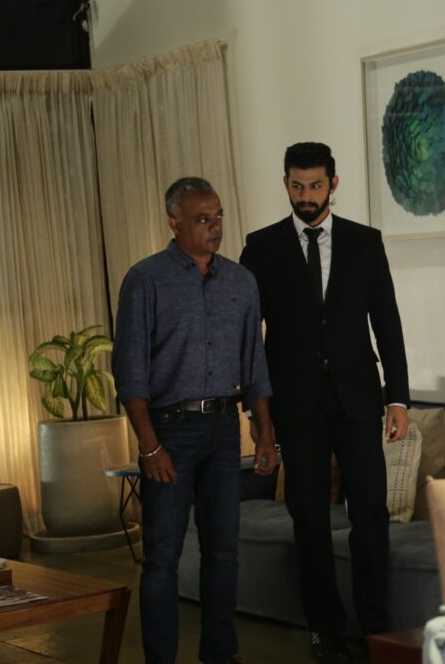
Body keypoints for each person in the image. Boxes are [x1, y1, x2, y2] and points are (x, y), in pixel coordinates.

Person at [239, 142, 410, 662]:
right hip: (297, 406)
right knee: (309, 518)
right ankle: (324, 630)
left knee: (371, 513)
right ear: (286, 184)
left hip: (358, 400)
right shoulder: (261, 248)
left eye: (315, 186)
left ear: (333, 184)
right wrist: (258, 413)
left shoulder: (365, 242)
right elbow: (249, 340)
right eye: (297, 186)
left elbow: (388, 322)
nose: (306, 196)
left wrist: (398, 399)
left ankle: (376, 627)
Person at [112, 176, 278, 664]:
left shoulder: (242, 283)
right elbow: (130, 371)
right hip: (169, 431)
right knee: (162, 557)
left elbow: (255, 364)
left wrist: (265, 432)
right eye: (203, 219)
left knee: (223, 552)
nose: (215, 226)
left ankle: (219, 656)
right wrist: (149, 445)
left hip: (224, 431)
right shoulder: (145, 280)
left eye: (219, 216)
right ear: (175, 222)